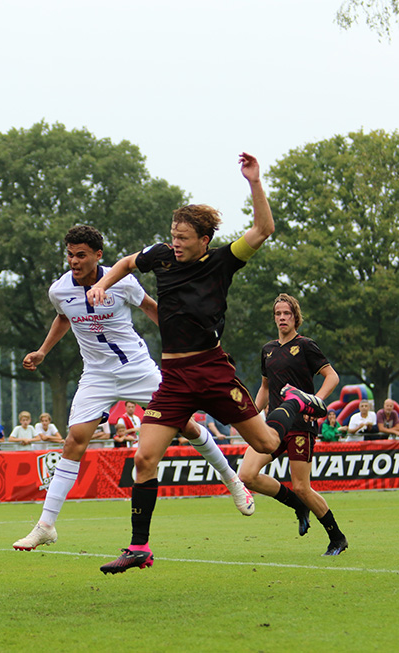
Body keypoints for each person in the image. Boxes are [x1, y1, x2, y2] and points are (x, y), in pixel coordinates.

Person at [85, 153, 327, 573]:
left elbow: (264, 229)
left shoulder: (222, 261)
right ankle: (139, 547)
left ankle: (297, 405)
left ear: (203, 239)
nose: (174, 242)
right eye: (172, 235)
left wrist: (254, 181)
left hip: (213, 372)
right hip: (174, 378)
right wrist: (102, 285)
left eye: (182, 237)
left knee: (267, 445)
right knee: (144, 459)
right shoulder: (160, 256)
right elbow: (125, 263)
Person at [13, 224, 255, 553]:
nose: (74, 261)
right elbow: (63, 317)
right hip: (96, 375)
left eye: (81, 255)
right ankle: (46, 526)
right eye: (69, 254)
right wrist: (42, 351)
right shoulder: (59, 290)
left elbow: (153, 309)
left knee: (187, 425)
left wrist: (188, 344)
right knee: (73, 442)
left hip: (138, 369)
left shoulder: (122, 280)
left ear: (98, 256)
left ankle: (232, 479)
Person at [239, 294, 346, 556]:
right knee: (246, 475)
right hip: (273, 427)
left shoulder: (306, 345)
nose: (282, 318)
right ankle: (298, 506)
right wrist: (249, 417)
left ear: (295, 316)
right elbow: (264, 387)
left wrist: (315, 402)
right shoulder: (268, 350)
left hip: (300, 425)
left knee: (302, 486)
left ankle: (337, 537)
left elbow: (332, 377)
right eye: (278, 314)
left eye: (286, 313)